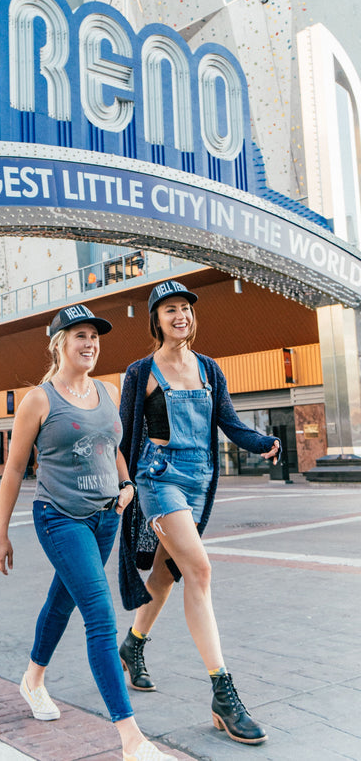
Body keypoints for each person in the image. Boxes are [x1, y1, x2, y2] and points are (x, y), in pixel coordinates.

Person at [0, 303, 176, 761]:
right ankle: (131, 738)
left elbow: (110, 447)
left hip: (106, 516)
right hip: (59, 517)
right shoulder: (39, 399)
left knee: (62, 600)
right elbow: (14, 470)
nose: (90, 344)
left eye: (95, 337)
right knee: (99, 612)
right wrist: (0, 534)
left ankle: (32, 679)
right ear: (60, 344)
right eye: (80, 336)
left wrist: (127, 481)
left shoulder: (108, 391)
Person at [117, 280, 281, 746]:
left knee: (168, 576)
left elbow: (227, 422)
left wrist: (261, 442)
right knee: (200, 570)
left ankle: (133, 645)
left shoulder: (209, 368)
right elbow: (126, 437)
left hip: (199, 480)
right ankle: (223, 694)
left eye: (185, 308)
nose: (180, 316)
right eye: (170, 309)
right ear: (156, 320)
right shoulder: (141, 372)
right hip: (158, 477)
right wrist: (125, 485)